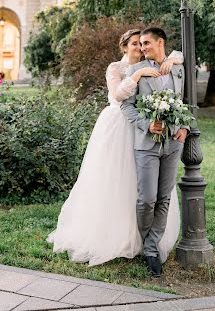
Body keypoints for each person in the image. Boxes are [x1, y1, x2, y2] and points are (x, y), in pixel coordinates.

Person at [47, 28, 184, 267]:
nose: (139, 48)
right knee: (118, 183)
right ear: (124, 47)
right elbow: (118, 95)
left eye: (142, 44)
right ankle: (118, 235)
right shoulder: (118, 68)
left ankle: (146, 243)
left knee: (141, 187)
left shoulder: (151, 65)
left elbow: (179, 57)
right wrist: (138, 74)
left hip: (148, 133)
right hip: (118, 129)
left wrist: (172, 58)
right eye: (134, 44)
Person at [121, 27, 187, 277]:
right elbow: (125, 107)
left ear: (161, 43)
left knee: (164, 198)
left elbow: (186, 101)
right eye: (141, 44)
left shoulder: (178, 68)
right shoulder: (136, 71)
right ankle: (145, 240)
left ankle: (151, 248)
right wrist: (147, 124)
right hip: (146, 144)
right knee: (146, 199)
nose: (143, 47)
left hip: (173, 144)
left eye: (147, 43)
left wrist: (185, 128)